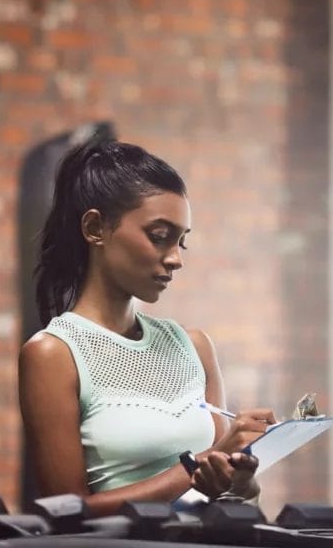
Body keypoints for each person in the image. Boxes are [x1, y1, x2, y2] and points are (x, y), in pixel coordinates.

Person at [19, 136, 275, 516]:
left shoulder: (194, 346)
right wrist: (196, 466)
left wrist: (239, 476)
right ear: (95, 229)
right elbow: (67, 512)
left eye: (181, 242)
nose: (175, 259)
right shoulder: (54, 354)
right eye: (159, 237)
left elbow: (221, 491)